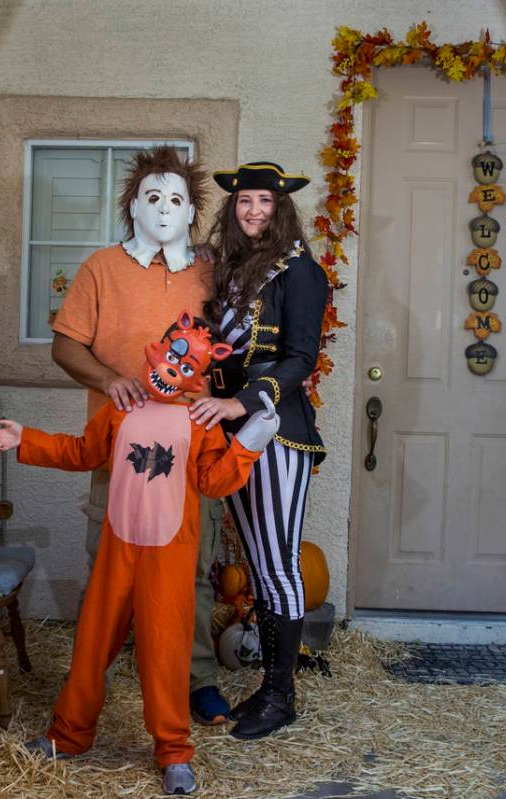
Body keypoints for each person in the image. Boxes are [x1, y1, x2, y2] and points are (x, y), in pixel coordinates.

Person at [0, 312, 279, 795]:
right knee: (92, 643)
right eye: (171, 352)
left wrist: (248, 443)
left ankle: (173, 751)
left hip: (170, 557)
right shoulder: (120, 411)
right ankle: (69, 734)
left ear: (199, 374)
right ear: (156, 349)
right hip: (118, 549)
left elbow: (215, 481)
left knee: (165, 653)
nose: (173, 366)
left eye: (187, 363)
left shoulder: (199, 421)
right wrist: (27, 440)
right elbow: (81, 452)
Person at [49, 145, 233, 725]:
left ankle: (193, 677)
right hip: (117, 450)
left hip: (192, 450)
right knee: (103, 566)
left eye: (175, 198)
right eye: (151, 196)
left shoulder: (210, 272)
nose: (162, 207)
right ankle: (90, 680)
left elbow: (237, 351)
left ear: (191, 211)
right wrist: (111, 381)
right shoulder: (100, 269)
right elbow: (65, 344)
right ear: (132, 205)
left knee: (196, 571)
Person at [188, 161, 328, 740]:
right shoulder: (230, 270)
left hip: (275, 427)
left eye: (264, 202)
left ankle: (280, 695)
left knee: (279, 566)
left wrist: (239, 403)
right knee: (260, 564)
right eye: (245, 201)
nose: (253, 211)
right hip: (230, 430)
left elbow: (301, 359)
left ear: (281, 208)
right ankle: (270, 688)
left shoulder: (300, 271)